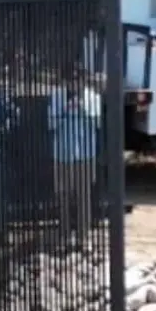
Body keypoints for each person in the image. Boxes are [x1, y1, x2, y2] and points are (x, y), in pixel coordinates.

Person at [48, 71, 103, 247]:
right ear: (66, 82)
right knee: (63, 195)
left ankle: (83, 237)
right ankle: (64, 235)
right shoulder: (57, 97)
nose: (74, 85)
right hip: (62, 154)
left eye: (78, 81)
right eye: (71, 81)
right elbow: (51, 124)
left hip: (85, 154)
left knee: (84, 195)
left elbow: (98, 123)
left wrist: (83, 109)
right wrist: (65, 110)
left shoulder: (92, 97)